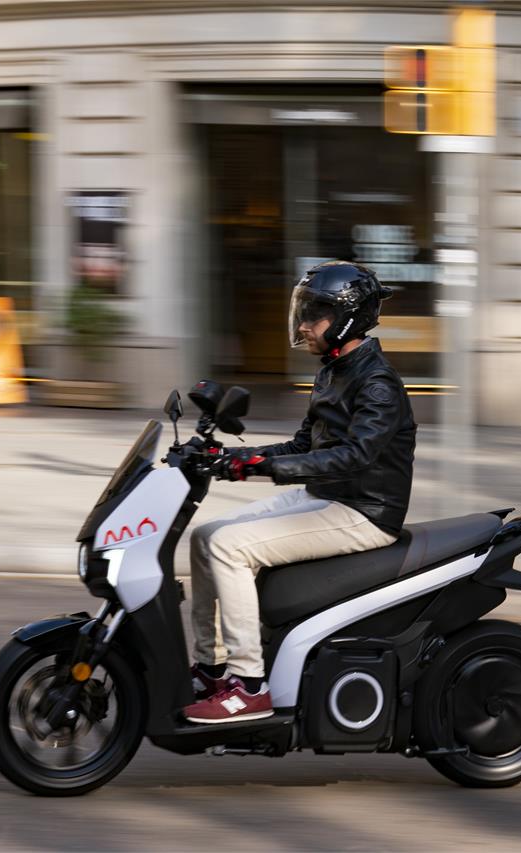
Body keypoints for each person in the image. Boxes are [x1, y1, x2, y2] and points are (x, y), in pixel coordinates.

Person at [183, 260, 417, 724]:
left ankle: (249, 685)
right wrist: (233, 458)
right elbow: (304, 445)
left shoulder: (377, 383)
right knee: (206, 536)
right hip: (325, 496)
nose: (305, 325)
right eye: (305, 313)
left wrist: (264, 466)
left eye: (316, 314)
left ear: (348, 318)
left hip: (364, 511)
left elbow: (353, 457)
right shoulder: (333, 370)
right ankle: (212, 669)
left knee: (230, 548)